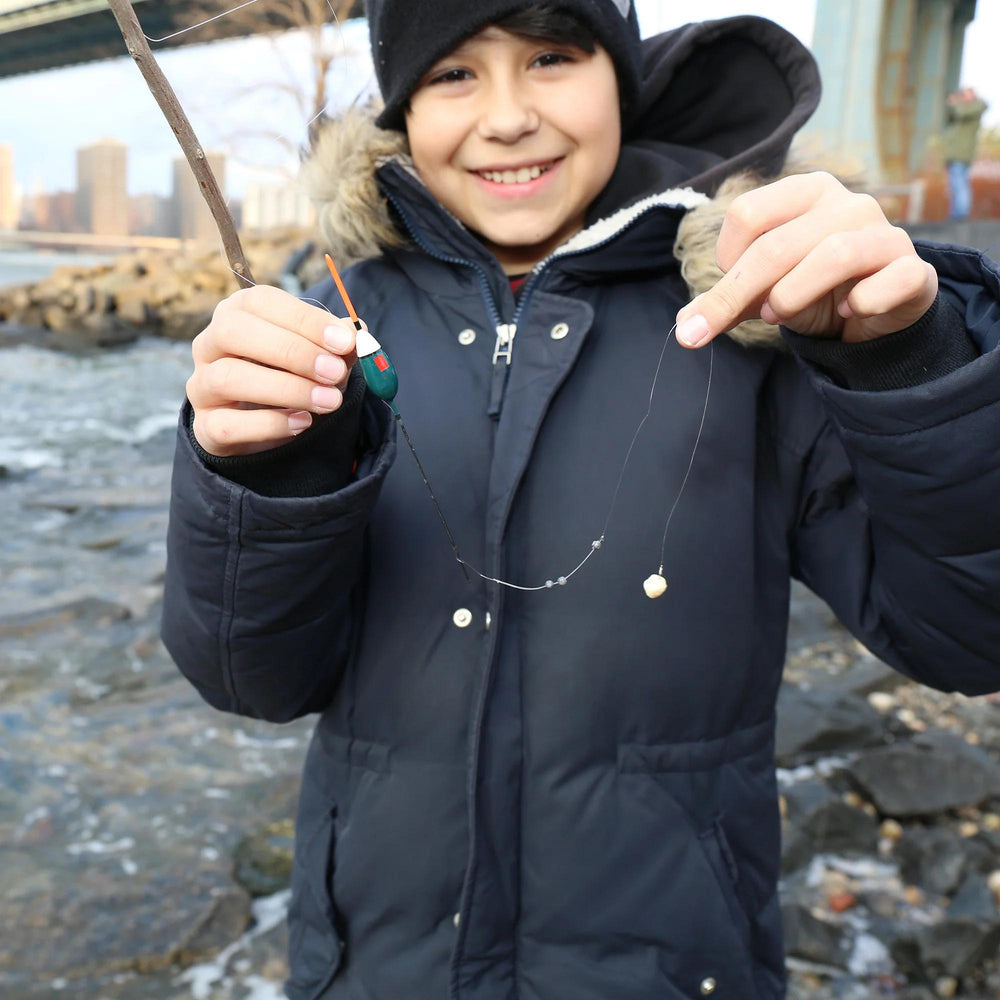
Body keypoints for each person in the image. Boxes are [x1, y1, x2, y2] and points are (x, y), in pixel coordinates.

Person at [160, 3, 1000, 998]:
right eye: (452, 75)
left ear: (623, 80)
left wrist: (908, 359)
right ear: (401, 111)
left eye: (551, 57)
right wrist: (266, 474)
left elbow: (969, 632)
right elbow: (249, 676)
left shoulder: (764, 321)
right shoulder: (335, 325)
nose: (507, 116)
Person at [943, 86, 988, 220]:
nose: (963, 97)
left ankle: (960, 214)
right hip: (955, 153)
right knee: (955, 184)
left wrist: (955, 103)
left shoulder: (974, 108)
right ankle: (956, 213)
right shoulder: (965, 109)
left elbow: (960, 112)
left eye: (966, 95)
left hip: (962, 154)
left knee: (960, 183)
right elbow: (952, 116)